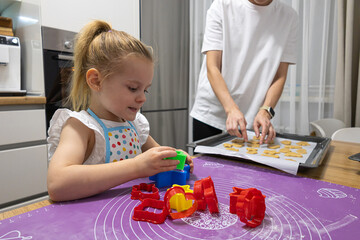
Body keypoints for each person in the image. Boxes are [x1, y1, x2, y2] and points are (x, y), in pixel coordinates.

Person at [47, 20, 194, 202]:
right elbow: (57, 184)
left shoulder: (134, 125)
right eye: (133, 88)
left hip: (129, 218)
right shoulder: (81, 127)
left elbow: (158, 156)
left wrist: (176, 157)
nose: (143, 98)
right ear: (96, 81)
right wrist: (136, 167)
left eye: (145, 89)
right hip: (91, 223)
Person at [190, 0, 298, 144]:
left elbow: (279, 76)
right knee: (205, 164)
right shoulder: (222, 5)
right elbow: (212, 67)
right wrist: (231, 109)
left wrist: (266, 111)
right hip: (211, 112)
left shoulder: (288, 17)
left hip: (252, 116)